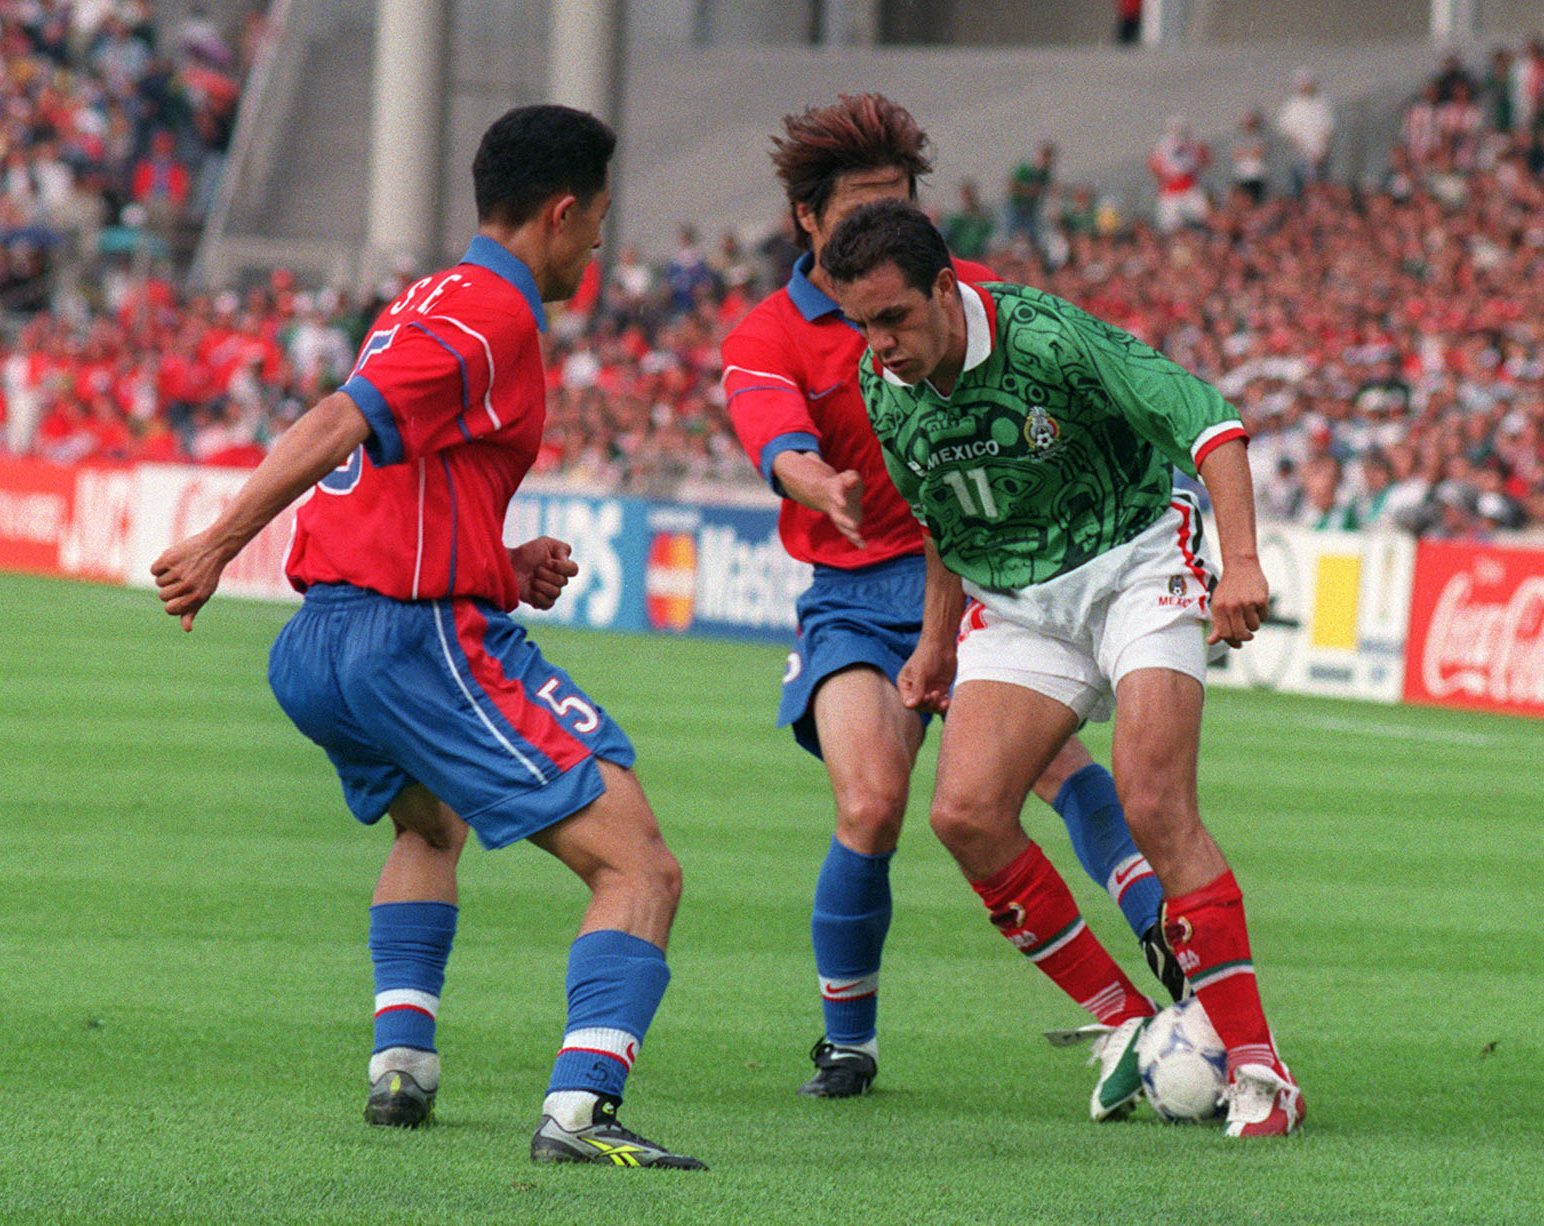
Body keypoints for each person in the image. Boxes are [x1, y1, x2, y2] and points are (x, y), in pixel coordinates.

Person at [150, 105, 705, 1170]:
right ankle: (584, 1110)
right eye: (596, 219)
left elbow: (402, 489)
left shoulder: (429, 295)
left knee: (427, 827)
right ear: (560, 210)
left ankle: (400, 1063)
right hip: (407, 640)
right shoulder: (491, 313)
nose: (598, 243)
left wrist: (501, 565)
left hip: (323, 641)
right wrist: (220, 542)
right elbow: (336, 421)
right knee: (639, 867)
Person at [720, 94, 1183, 1115]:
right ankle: (847, 1038)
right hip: (851, 592)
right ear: (808, 219)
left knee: (1054, 766)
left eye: (899, 204)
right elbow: (773, 434)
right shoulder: (770, 332)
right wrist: (815, 482)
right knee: (871, 803)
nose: (887, 226)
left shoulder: (963, 290)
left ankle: (1168, 952)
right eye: (860, 208)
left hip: (983, 574)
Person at [819, 198, 1305, 1137]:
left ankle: (1258, 1069)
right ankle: (1129, 1023)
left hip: (1136, 562)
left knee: (1154, 800)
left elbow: (1212, 425)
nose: (880, 343)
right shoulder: (883, 386)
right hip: (1019, 600)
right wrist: (934, 641)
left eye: (894, 317)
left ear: (947, 291)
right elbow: (943, 523)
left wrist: (1241, 560)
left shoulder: (1048, 339)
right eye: (862, 323)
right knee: (964, 814)